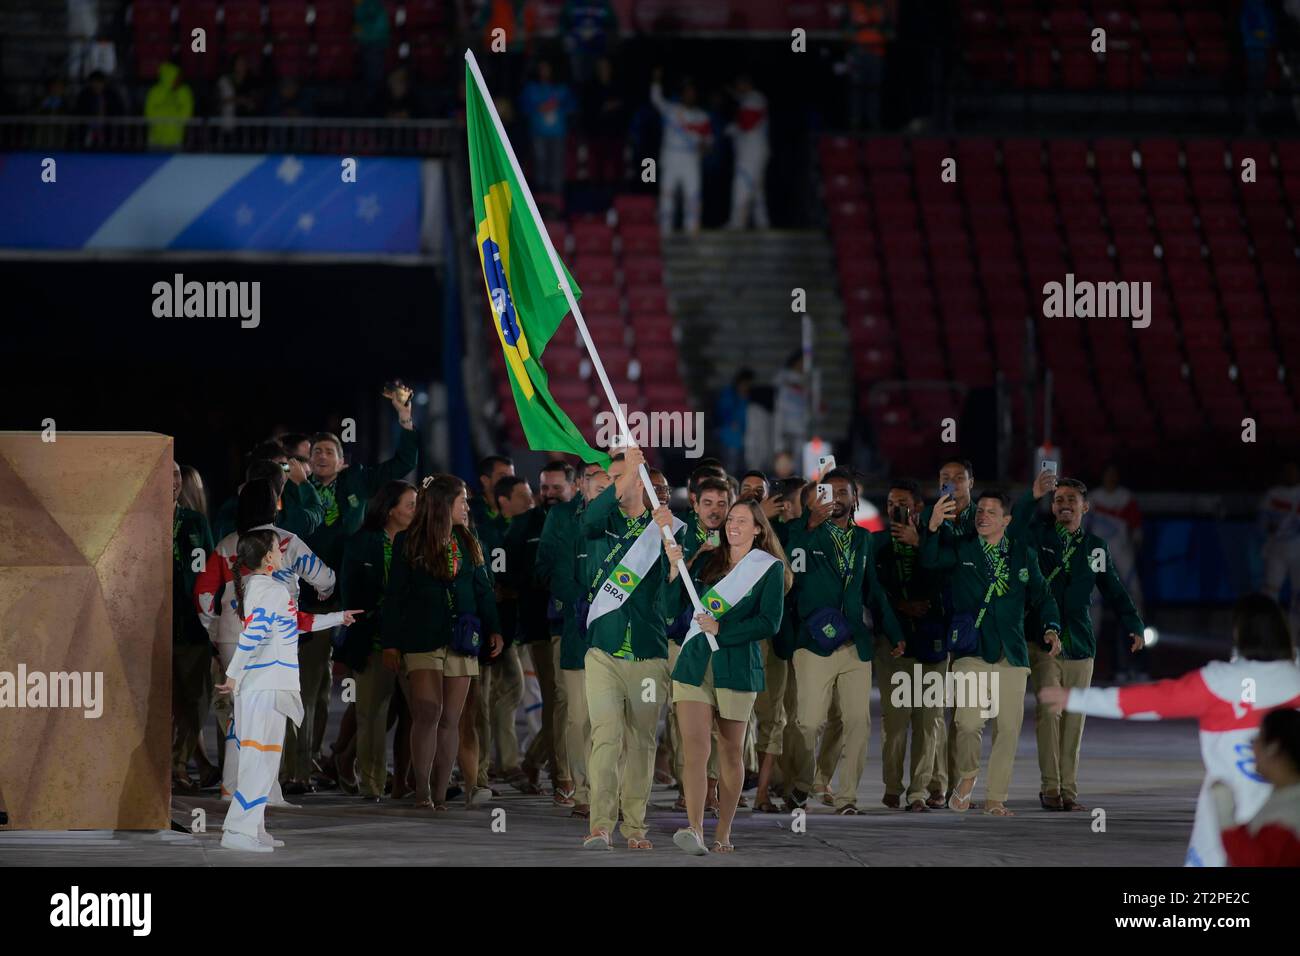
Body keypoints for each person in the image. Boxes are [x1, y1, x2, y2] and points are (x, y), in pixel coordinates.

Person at [1041, 593, 1300, 866]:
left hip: (1222, 820)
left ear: (1239, 634)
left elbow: (1149, 701)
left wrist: (1075, 698)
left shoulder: (1219, 682)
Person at [297, 394, 419, 794]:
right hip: (310, 600)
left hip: (354, 600)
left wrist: (404, 418)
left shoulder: (358, 480)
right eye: (316, 451)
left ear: (343, 459)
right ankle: (304, 766)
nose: (321, 456)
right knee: (311, 689)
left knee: (365, 698)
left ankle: (344, 764)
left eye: (329, 450)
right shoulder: (297, 491)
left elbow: (402, 465)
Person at [195, 478, 338, 806]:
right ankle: (264, 791)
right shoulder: (286, 542)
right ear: (276, 504)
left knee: (240, 715)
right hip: (275, 640)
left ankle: (232, 785)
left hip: (233, 634)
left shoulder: (228, 542)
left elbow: (203, 592)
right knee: (270, 717)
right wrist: (322, 596)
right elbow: (326, 578)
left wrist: (214, 629)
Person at [920, 489, 1062, 816]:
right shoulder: (962, 549)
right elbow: (929, 562)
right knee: (968, 723)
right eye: (980, 511)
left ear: (1006, 521)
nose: (983, 516)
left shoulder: (1022, 555)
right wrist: (932, 527)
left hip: (1011, 652)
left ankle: (996, 798)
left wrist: (1051, 627)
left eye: (991, 512)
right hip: (972, 650)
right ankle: (968, 778)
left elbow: (1042, 596)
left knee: (1008, 729)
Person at [215, 529, 356, 852]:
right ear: (268, 559)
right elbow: (255, 634)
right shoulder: (272, 591)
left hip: (264, 687)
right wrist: (234, 674)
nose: (282, 555)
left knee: (261, 761)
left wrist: (338, 617)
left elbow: (297, 622)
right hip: (266, 687)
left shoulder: (258, 587)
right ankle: (239, 832)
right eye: (278, 551)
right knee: (260, 761)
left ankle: (252, 827)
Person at [1012, 473, 1144, 811]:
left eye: (1072, 500)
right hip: (1043, 639)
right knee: (1048, 713)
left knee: (1074, 719)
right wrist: (1033, 495)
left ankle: (1069, 791)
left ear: (1086, 507)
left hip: (1081, 643)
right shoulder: (1038, 538)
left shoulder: (1095, 548)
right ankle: (1050, 789)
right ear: (1052, 507)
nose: (1065, 504)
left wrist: (1133, 623)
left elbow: (1113, 589)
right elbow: (1012, 529)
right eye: (1059, 500)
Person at [667, 499, 790, 853]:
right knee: (694, 748)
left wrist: (722, 629)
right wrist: (676, 570)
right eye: (730, 519)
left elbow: (770, 622)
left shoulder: (769, 568)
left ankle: (722, 832)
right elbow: (674, 605)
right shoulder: (708, 560)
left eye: (742, 520)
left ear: (757, 528)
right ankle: (694, 829)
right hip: (694, 663)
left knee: (731, 750)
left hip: (736, 666)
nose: (733, 525)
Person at [381, 475, 505, 809]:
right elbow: (395, 597)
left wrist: (495, 628)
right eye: (462, 500)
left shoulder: (468, 539)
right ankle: (421, 790)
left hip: (463, 639)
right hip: (421, 638)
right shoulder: (408, 541)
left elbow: (483, 588)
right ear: (442, 504)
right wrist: (390, 643)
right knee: (427, 711)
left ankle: (440, 792)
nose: (467, 506)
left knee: (452, 717)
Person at [581, 446, 682, 849]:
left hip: (647, 655)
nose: (611, 484)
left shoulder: (667, 529)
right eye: (610, 479)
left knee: (641, 742)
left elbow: (673, 609)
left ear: (639, 482)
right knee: (606, 738)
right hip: (603, 653)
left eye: (619, 477)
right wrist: (624, 475)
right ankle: (599, 824)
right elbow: (589, 517)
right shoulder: (600, 522)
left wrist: (675, 563)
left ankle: (635, 828)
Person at [788, 467, 904, 813]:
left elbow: (873, 591)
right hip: (813, 644)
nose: (836, 499)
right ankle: (802, 783)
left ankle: (847, 797)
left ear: (856, 499)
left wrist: (894, 632)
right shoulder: (803, 533)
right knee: (809, 722)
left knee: (858, 722)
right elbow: (790, 569)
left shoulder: (863, 539)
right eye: (828, 492)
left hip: (854, 643)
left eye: (843, 493)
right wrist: (808, 527)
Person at [537, 458, 613, 818]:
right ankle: (580, 788)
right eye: (597, 485)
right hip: (576, 633)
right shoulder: (566, 523)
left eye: (609, 486)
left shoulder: (625, 522)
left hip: (617, 638)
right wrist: (585, 602)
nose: (603, 492)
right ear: (582, 485)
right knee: (577, 716)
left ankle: (610, 788)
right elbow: (552, 572)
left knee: (613, 718)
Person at [336, 480, 417, 800]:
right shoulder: (361, 543)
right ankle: (371, 784)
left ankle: (414, 782)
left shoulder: (420, 541)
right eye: (411, 504)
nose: (417, 510)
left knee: (418, 715)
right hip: (372, 644)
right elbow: (350, 594)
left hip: (415, 644)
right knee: (371, 716)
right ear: (390, 509)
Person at [873, 478, 947, 811]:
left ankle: (918, 792)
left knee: (928, 721)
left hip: (931, 642)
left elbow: (950, 580)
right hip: (894, 644)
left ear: (918, 508)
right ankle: (892, 785)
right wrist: (898, 607)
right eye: (890, 503)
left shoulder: (938, 540)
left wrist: (921, 544)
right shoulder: (876, 545)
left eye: (902, 503)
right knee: (896, 721)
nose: (894, 509)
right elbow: (870, 590)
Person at [917, 456, 979, 806]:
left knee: (965, 712)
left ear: (971, 481)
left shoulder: (982, 516)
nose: (952, 483)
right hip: (938, 620)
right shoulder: (931, 515)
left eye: (959, 477)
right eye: (945, 476)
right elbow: (927, 564)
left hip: (970, 624)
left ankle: (960, 781)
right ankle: (938, 785)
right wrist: (933, 527)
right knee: (935, 708)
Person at [518, 461, 578, 800]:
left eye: (557, 488)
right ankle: (561, 777)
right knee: (559, 701)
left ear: (574, 487)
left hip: (574, 621)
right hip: (541, 627)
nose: (550, 494)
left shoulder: (581, 521)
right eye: (544, 488)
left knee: (565, 702)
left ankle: (535, 761)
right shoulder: (524, 526)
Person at [172, 461, 216, 792]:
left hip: (192, 626)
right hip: (152, 626)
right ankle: (167, 767)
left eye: (177, 475)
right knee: (162, 702)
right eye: (166, 474)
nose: (173, 481)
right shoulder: (140, 519)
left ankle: (178, 763)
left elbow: (210, 572)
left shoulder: (195, 522)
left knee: (197, 700)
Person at [1214, 708, 1300, 867]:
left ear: (1273, 747)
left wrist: (1226, 818)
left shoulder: (1288, 813)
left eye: (1258, 739)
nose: (1253, 748)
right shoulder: (1285, 797)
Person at [1087, 463, 1145, 680]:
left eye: (1114, 474)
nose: (1110, 478)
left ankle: (1136, 652)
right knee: (1092, 600)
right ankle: (1087, 654)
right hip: (1098, 553)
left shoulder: (1126, 497)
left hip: (1122, 551)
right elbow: (1082, 527)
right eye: (1107, 474)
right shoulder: (1092, 498)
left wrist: (1136, 542)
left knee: (1135, 595)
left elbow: (1137, 528)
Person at [212, 442, 323, 542]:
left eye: (287, 467)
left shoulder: (289, 502)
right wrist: (303, 482)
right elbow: (316, 511)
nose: (286, 472)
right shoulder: (231, 512)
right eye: (282, 466)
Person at [650, 67, 712, 237]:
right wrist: (656, 80)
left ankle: (692, 230)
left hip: (691, 160)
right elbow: (655, 99)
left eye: (693, 92)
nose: (690, 95)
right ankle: (664, 231)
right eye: (687, 92)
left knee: (692, 195)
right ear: (682, 94)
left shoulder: (702, 117)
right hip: (671, 158)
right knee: (667, 195)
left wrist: (704, 147)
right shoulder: (671, 110)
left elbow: (708, 143)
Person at [520, 59, 576, 203]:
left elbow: (572, 106)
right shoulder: (531, 89)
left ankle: (556, 198)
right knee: (540, 164)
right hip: (538, 133)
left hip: (557, 133)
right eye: (541, 68)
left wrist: (558, 105)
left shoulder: (562, 89)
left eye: (547, 68)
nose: (544, 72)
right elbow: (523, 107)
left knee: (557, 163)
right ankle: (541, 199)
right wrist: (538, 107)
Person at [1259, 461, 1300, 641]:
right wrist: (1270, 526)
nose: (1291, 475)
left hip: (1298, 553)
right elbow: (1261, 521)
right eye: (1288, 471)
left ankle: (1294, 636)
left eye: (1294, 471)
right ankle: (1268, 634)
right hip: (1276, 551)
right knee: (1270, 594)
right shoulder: (1272, 495)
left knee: (1298, 595)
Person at [725, 75, 770, 230]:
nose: (737, 88)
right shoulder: (747, 99)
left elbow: (747, 123)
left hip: (751, 154)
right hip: (753, 152)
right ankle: (762, 223)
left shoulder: (754, 98)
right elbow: (739, 99)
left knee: (741, 186)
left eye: (739, 84)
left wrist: (734, 127)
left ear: (747, 84)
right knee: (756, 190)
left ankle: (737, 222)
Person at [144, 61, 193, 150]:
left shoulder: (184, 91)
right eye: (177, 77)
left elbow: (187, 110)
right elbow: (149, 111)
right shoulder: (155, 91)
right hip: (156, 139)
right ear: (170, 77)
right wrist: (159, 124)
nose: (179, 79)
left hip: (176, 138)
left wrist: (176, 122)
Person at [715, 369, 754, 477]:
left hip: (743, 439)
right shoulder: (729, 395)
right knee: (730, 467)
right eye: (745, 384)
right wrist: (730, 421)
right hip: (729, 438)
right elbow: (723, 412)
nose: (746, 387)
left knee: (741, 467)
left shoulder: (748, 398)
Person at [772, 351, 808, 464]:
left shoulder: (807, 379)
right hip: (784, 421)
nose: (802, 365)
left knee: (799, 454)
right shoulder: (784, 375)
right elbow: (775, 384)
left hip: (800, 423)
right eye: (801, 362)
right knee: (782, 453)